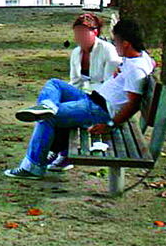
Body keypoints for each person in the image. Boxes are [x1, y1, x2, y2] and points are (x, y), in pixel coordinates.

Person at [4, 18, 156, 180]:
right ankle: (48, 105)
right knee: (55, 84)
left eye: (116, 41)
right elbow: (151, 63)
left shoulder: (136, 69)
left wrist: (110, 125)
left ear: (126, 43)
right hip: (94, 99)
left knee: (48, 118)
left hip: (100, 111)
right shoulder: (140, 57)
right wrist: (122, 67)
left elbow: (133, 104)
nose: (114, 44)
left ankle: (33, 167)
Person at [44, 13, 121, 172]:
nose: (80, 36)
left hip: (102, 102)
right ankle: (47, 106)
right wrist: (69, 96)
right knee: (54, 87)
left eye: (84, 32)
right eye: (77, 32)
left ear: (96, 32)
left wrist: (84, 93)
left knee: (55, 114)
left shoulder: (108, 52)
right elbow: (75, 81)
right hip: (87, 95)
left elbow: (108, 87)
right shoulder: (76, 53)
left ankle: (57, 151)